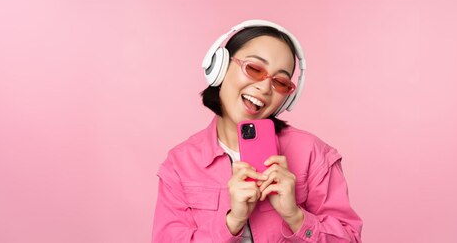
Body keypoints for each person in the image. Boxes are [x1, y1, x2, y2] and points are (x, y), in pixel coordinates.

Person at [152, 19, 362, 242]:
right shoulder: (179, 164)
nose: (264, 88)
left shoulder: (313, 154)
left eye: (280, 82)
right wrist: (232, 222)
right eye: (254, 68)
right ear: (219, 67)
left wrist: (295, 216)